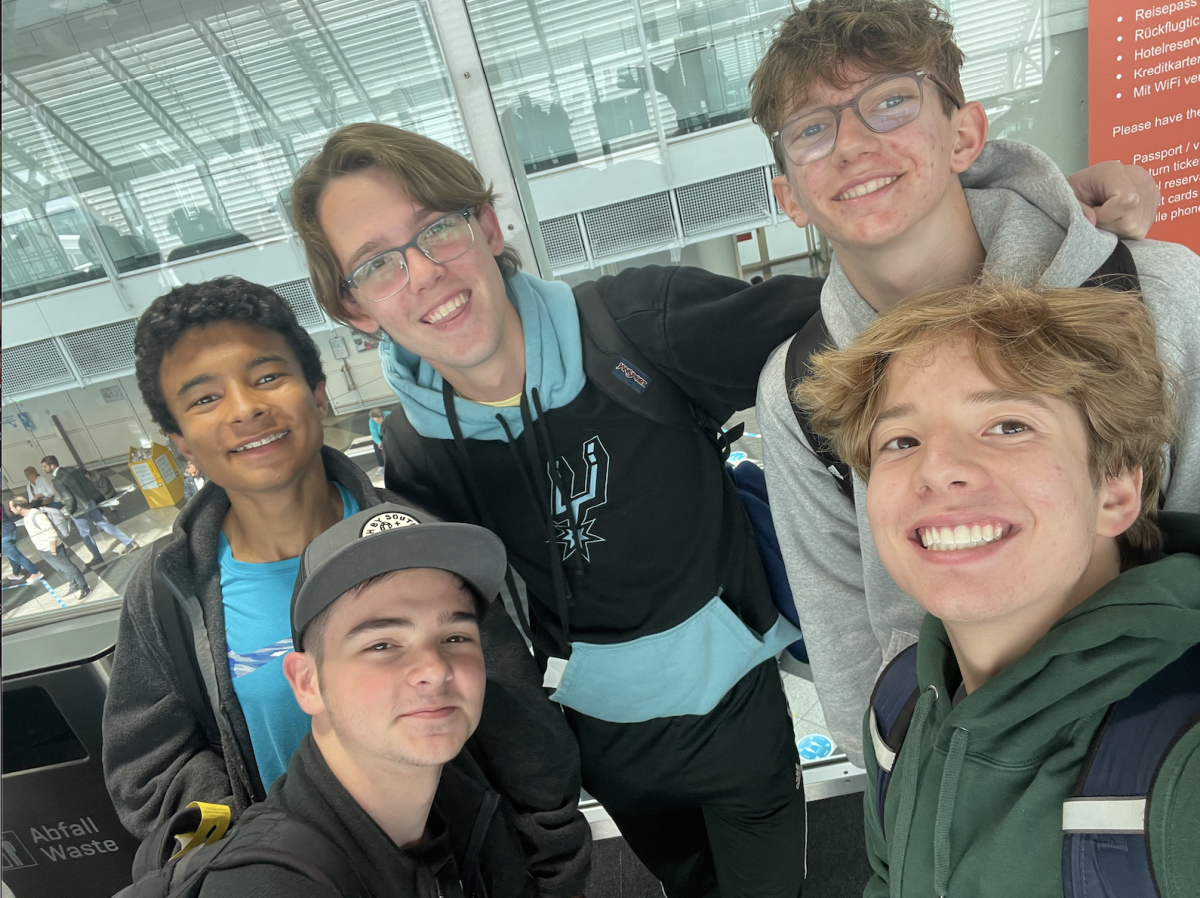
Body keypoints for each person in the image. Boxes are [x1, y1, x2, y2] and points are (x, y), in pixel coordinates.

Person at [287, 122, 1151, 898]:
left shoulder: (634, 325)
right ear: (353, 309)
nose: (423, 271)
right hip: (602, 737)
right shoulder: (415, 449)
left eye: (436, 227)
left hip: (733, 710)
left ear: (485, 225)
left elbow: (874, 320)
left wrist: (1043, 218)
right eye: (376, 261)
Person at [751, 0, 1200, 765]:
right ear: (788, 195)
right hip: (958, 781)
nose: (854, 143)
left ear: (964, 134)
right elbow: (850, 636)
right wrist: (911, 795)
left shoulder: (1153, 292)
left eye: (890, 101)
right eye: (812, 128)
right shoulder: (801, 387)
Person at [103, 278, 589, 898]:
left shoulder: (419, 545)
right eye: (202, 399)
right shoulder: (170, 588)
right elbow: (146, 766)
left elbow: (514, 717)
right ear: (180, 442)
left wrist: (550, 863)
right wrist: (260, 848)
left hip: (455, 867)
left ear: (319, 393)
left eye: (267, 376)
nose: (244, 408)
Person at [793, 281, 1199, 897]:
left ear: (1116, 490)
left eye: (1009, 425)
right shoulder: (901, 705)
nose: (937, 467)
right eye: (901, 441)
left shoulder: (1185, 765)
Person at [192, 503, 535, 896]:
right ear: (308, 683)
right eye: (383, 644)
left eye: (455, 638)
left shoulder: (465, 802)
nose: (435, 669)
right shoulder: (271, 886)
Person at [41, 455, 138, 565]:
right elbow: (88, 484)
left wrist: (70, 511)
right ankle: (129, 542)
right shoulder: (72, 470)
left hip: (79, 509)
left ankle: (97, 557)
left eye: (45, 467)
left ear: (52, 466)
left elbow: (68, 498)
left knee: (84, 533)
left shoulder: (58, 480)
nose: (43, 469)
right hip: (90, 502)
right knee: (103, 524)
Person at [9, 498, 89, 599]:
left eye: (11, 507)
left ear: (18, 507)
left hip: (52, 548)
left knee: (69, 568)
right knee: (62, 569)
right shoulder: (26, 517)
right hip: (43, 549)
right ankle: (74, 586)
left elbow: (52, 533)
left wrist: (53, 549)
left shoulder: (37, 516)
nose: (10, 509)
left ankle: (84, 587)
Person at [24, 465, 72, 537]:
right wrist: (38, 501)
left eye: (29, 474)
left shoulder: (44, 480)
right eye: (26, 475)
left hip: (54, 502)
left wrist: (39, 495)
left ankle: (65, 531)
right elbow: (31, 499)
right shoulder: (29, 486)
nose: (28, 477)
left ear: (34, 473)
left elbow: (52, 491)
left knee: (54, 514)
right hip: (41, 504)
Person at [2, 503, 44, 584]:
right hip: (10, 528)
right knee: (11, 554)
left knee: (16, 555)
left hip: (4, 535)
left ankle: (36, 572)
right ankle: (16, 573)